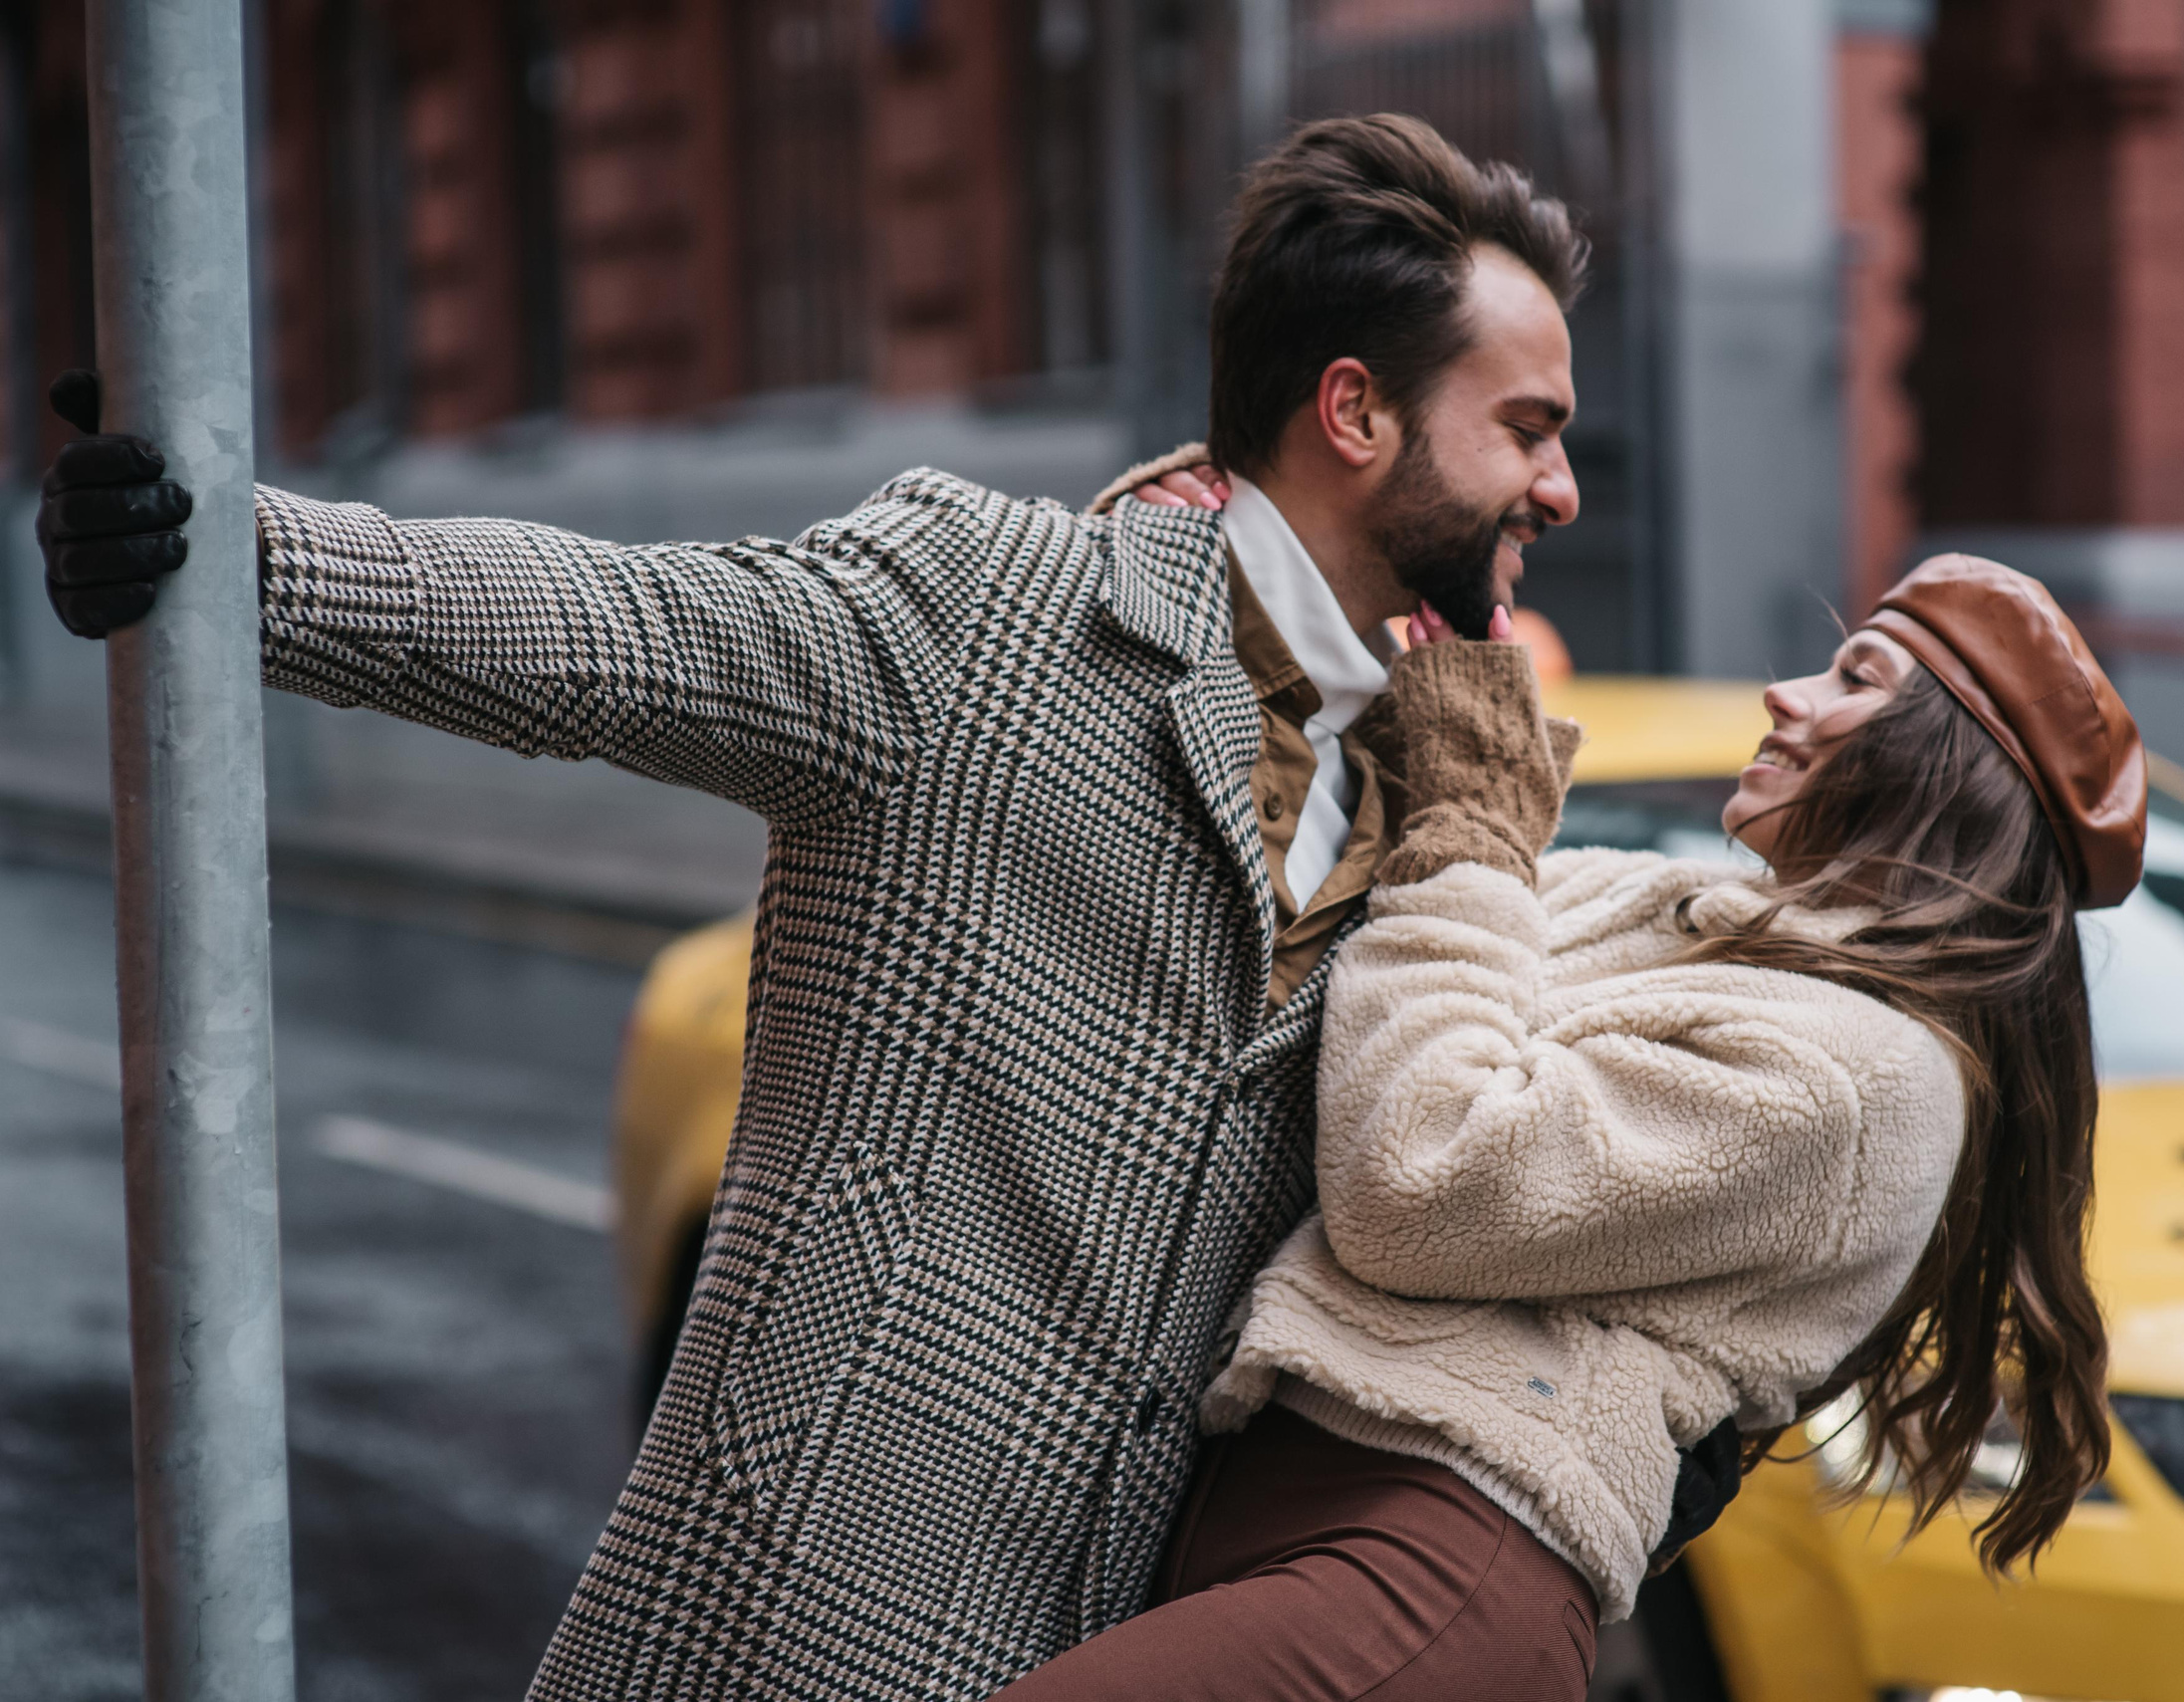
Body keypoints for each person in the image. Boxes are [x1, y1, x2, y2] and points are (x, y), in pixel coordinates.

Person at [36, 116, 1763, 1700]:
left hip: (1100, 1646)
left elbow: (1425, 1212)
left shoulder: (1424, 807)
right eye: (1529, 427)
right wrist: (235, 562)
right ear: (1355, 410)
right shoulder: (985, 612)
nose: (1562, 488)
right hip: (784, 1625)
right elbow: (611, 633)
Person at [989, 552, 2143, 1700]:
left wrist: (1474, 836)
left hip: (1428, 1558)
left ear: (1946, 771)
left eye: (1854, 677)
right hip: (1274, 1493)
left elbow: (1418, 1174)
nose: (1786, 695)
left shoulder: (1865, 1076)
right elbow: (1382, 958)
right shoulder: (1668, 908)